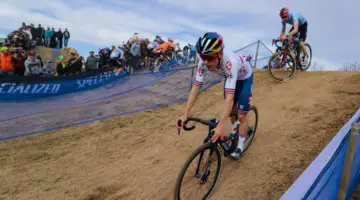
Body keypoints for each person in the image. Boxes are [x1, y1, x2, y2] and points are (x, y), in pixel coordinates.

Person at [177, 32, 253, 160]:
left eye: (209, 57)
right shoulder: (203, 62)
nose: (205, 62)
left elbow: (229, 99)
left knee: (241, 114)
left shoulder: (230, 62)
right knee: (232, 113)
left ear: (220, 54)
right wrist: (185, 114)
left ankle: (240, 146)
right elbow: (196, 88)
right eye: (202, 56)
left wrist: (221, 125)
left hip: (244, 78)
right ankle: (235, 133)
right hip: (230, 78)